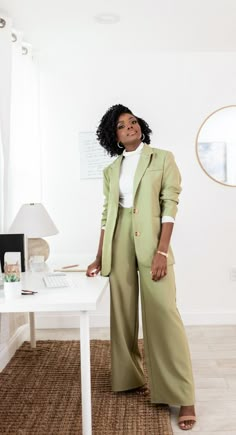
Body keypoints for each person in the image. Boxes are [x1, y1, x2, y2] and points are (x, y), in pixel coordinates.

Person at [86, 104, 196, 430]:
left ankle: (183, 394)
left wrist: (162, 251)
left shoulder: (162, 158)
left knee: (163, 314)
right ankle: (130, 378)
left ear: (140, 126)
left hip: (152, 243)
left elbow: (170, 205)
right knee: (122, 315)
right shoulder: (111, 171)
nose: (130, 127)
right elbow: (108, 215)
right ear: (114, 136)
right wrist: (98, 255)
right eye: (122, 125)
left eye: (133, 121)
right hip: (118, 242)